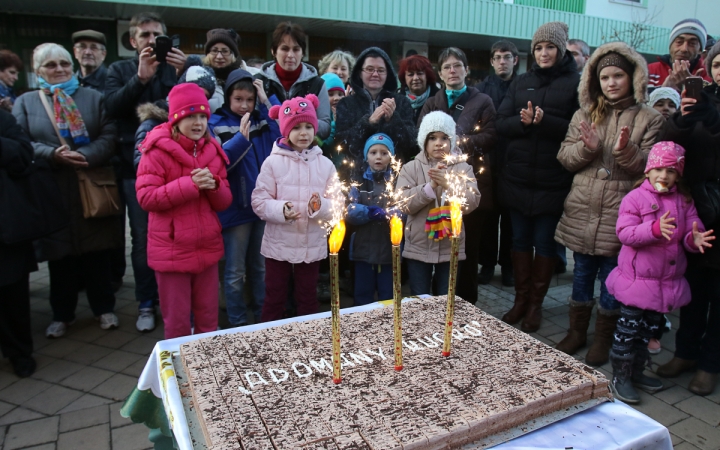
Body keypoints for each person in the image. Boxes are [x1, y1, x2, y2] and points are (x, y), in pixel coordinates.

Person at [553, 42, 665, 366]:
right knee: (582, 274)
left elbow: (652, 167)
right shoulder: (585, 114)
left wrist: (627, 150)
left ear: (633, 78)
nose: (612, 82)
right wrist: (588, 149)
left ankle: (603, 339)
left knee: (613, 278)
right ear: (595, 80)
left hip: (622, 210)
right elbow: (565, 157)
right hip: (583, 207)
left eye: (618, 75)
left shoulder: (650, 119)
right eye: (605, 77)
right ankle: (577, 332)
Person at [13, 43, 121, 338]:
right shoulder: (26, 102)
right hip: (51, 188)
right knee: (60, 257)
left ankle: (104, 307)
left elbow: (109, 134)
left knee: (97, 253)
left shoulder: (93, 97)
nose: (59, 69)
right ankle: (62, 314)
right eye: (51, 65)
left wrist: (86, 154)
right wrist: (52, 154)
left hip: (90, 183)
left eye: (63, 63)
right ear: (37, 72)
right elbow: (21, 141)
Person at [605, 142, 714, 403]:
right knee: (627, 333)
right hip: (636, 282)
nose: (664, 176)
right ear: (648, 171)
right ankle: (620, 376)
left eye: (671, 171)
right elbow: (625, 233)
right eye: (659, 169)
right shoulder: (635, 198)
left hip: (664, 284)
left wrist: (693, 240)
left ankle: (638, 371)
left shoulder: (683, 201)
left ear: (678, 175)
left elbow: (689, 232)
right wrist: (653, 229)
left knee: (647, 333)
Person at [496, 21, 580, 333]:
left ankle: (535, 305)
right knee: (519, 240)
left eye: (550, 47)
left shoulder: (575, 83)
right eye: (539, 48)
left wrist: (545, 122)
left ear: (560, 50)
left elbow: (579, 129)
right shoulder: (521, 83)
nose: (544, 53)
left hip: (552, 180)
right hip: (518, 179)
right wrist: (523, 122)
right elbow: (501, 123)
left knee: (544, 243)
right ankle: (519, 300)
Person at [105, 12, 186, 332]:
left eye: (157, 35)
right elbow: (111, 107)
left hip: (178, 168)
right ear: (132, 41)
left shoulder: (177, 67)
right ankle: (146, 302)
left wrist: (184, 73)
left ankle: (176, 303)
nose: (151, 41)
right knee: (142, 240)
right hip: (134, 168)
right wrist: (139, 78)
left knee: (176, 237)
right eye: (145, 35)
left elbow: (193, 107)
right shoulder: (119, 69)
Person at [136, 83, 232, 339]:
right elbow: (146, 197)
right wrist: (189, 185)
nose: (198, 122)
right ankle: (178, 375)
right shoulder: (155, 150)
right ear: (176, 119)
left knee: (208, 320)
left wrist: (214, 185)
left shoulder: (213, 150)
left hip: (206, 249)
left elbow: (224, 202)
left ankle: (208, 369)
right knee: (177, 323)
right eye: (191, 116)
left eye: (202, 116)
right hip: (172, 252)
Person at [657, 41, 720, 396]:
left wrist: (714, 121)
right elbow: (669, 145)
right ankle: (685, 352)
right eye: (719, 63)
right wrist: (682, 118)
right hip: (697, 209)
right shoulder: (701, 96)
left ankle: (710, 364)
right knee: (693, 291)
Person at [418, 47, 496, 305]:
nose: (452, 70)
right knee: (437, 249)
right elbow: (421, 137)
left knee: (466, 250)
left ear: (466, 70)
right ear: (440, 73)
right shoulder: (432, 102)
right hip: (435, 184)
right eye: (447, 67)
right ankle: (438, 303)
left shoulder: (482, 100)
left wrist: (460, 142)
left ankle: (465, 304)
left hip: (468, 182)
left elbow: (491, 135)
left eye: (457, 65)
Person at [251, 94, 336, 322]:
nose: (304, 133)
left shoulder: (326, 164)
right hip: (278, 245)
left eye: (309, 126)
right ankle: (269, 337)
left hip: (311, 245)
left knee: (308, 297)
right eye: (297, 127)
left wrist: (320, 207)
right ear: (285, 130)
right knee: (275, 296)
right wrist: (281, 211)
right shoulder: (272, 162)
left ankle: (308, 340)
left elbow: (338, 204)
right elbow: (259, 201)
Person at [209, 69, 281, 327]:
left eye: (249, 99)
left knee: (261, 269)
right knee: (234, 273)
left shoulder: (262, 119)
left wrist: (266, 100)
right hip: (235, 210)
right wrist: (241, 138)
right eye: (238, 99)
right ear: (228, 97)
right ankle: (237, 322)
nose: (244, 105)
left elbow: (284, 134)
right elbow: (219, 163)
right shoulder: (215, 123)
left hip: (262, 208)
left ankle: (263, 320)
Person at [397, 111, 480, 295]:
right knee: (420, 297)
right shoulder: (410, 168)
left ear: (452, 141)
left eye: (444, 137)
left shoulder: (463, 168)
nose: (439, 143)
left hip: (450, 246)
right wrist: (430, 187)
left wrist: (449, 185)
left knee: (446, 296)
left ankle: (445, 324)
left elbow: (472, 201)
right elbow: (403, 203)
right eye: (432, 137)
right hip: (418, 246)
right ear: (424, 141)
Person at [475, 40, 519, 287]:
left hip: (514, 162)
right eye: (498, 57)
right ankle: (488, 264)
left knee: (511, 221)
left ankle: (509, 267)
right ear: (492, 61)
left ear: (515, 60)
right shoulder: (480, 90)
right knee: (489, 219)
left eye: (507, 56)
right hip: (488, 163)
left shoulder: (523, 87)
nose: (502, 61)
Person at [0, 109, 37, 377]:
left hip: (5, 224)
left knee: (12, 293)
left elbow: (24, 155)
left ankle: (19, 352)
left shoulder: (3, 118)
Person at [335, 46, 417, 166]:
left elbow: (410, 144)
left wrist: (393, 120)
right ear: (360, 73)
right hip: (354, 174)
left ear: (387, 74)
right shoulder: (346, 104)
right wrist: (368, 123)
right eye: (369, 69)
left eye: (381, 70)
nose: (375, 74)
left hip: (394, 174)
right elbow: (341, 144)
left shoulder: (402, 102)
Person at [255, 22, 331, 140]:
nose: (290, 55)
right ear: (273, 51)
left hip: (305, 153)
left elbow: (325, 127)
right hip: (267, 152)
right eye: (284, 49)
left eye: (296, 49)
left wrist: (302, 120)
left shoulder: (317, 84)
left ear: (302, 53)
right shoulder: (259, 82)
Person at [346, 133, 397, 305]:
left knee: (388, 295)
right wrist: (367, 212)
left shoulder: (396, 181)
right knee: (362, 295)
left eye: (384, 153)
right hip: (363, 251)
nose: (378, 157)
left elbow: (404, 208)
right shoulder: (358, 182)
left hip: (388, 252)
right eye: (373, 152)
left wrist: (390, 214)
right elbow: (350, 210)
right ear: (366, 156)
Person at [648, 18, 711, 89]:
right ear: (670, 45)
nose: (684, 49)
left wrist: (690, 88)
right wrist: (663, 92)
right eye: (679, 42)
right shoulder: (648, 71)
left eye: (692, 43)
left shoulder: (710, 76)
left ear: (700, 49)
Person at [398, 54, 438, 124]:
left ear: (427, 76)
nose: (415, 78)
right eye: (410, 74)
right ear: (404, 78)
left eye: (420, 73)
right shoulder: (396, 101)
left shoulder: (439, 99)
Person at [318, 72, 345, 167]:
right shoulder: (318, 117)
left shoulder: (348, 113)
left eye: (340, 94)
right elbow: (325, 145)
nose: (336, 98)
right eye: (331, 94)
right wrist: (335, 124)